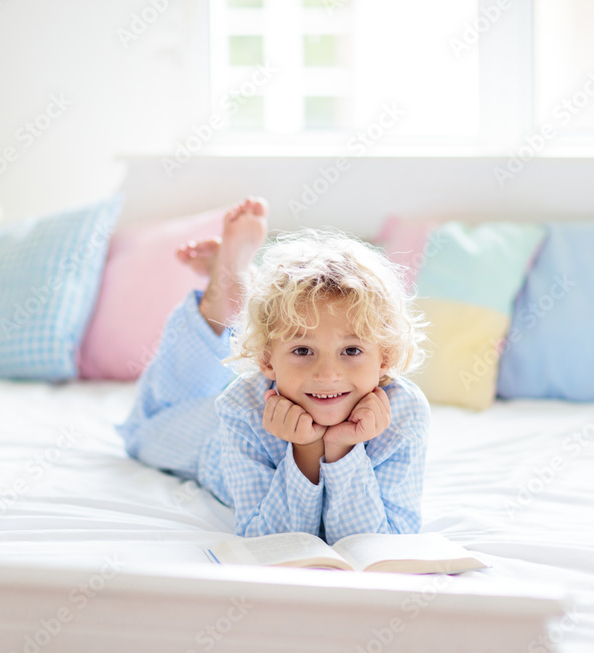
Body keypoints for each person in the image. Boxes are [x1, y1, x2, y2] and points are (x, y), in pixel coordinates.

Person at [116, 198, 430, 544]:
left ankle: (236, 290)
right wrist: (305, 451)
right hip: (212, 442)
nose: (327, 374)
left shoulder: (403, 414)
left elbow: (382, 541)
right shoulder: (242, 407)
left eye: (352, 351)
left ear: (385, 358)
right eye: (302, 350)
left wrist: (342, 452)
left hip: (272, 386)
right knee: (146, 428)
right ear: (266, 360)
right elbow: (268, 538)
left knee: (175, 402)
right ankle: (226, 292)